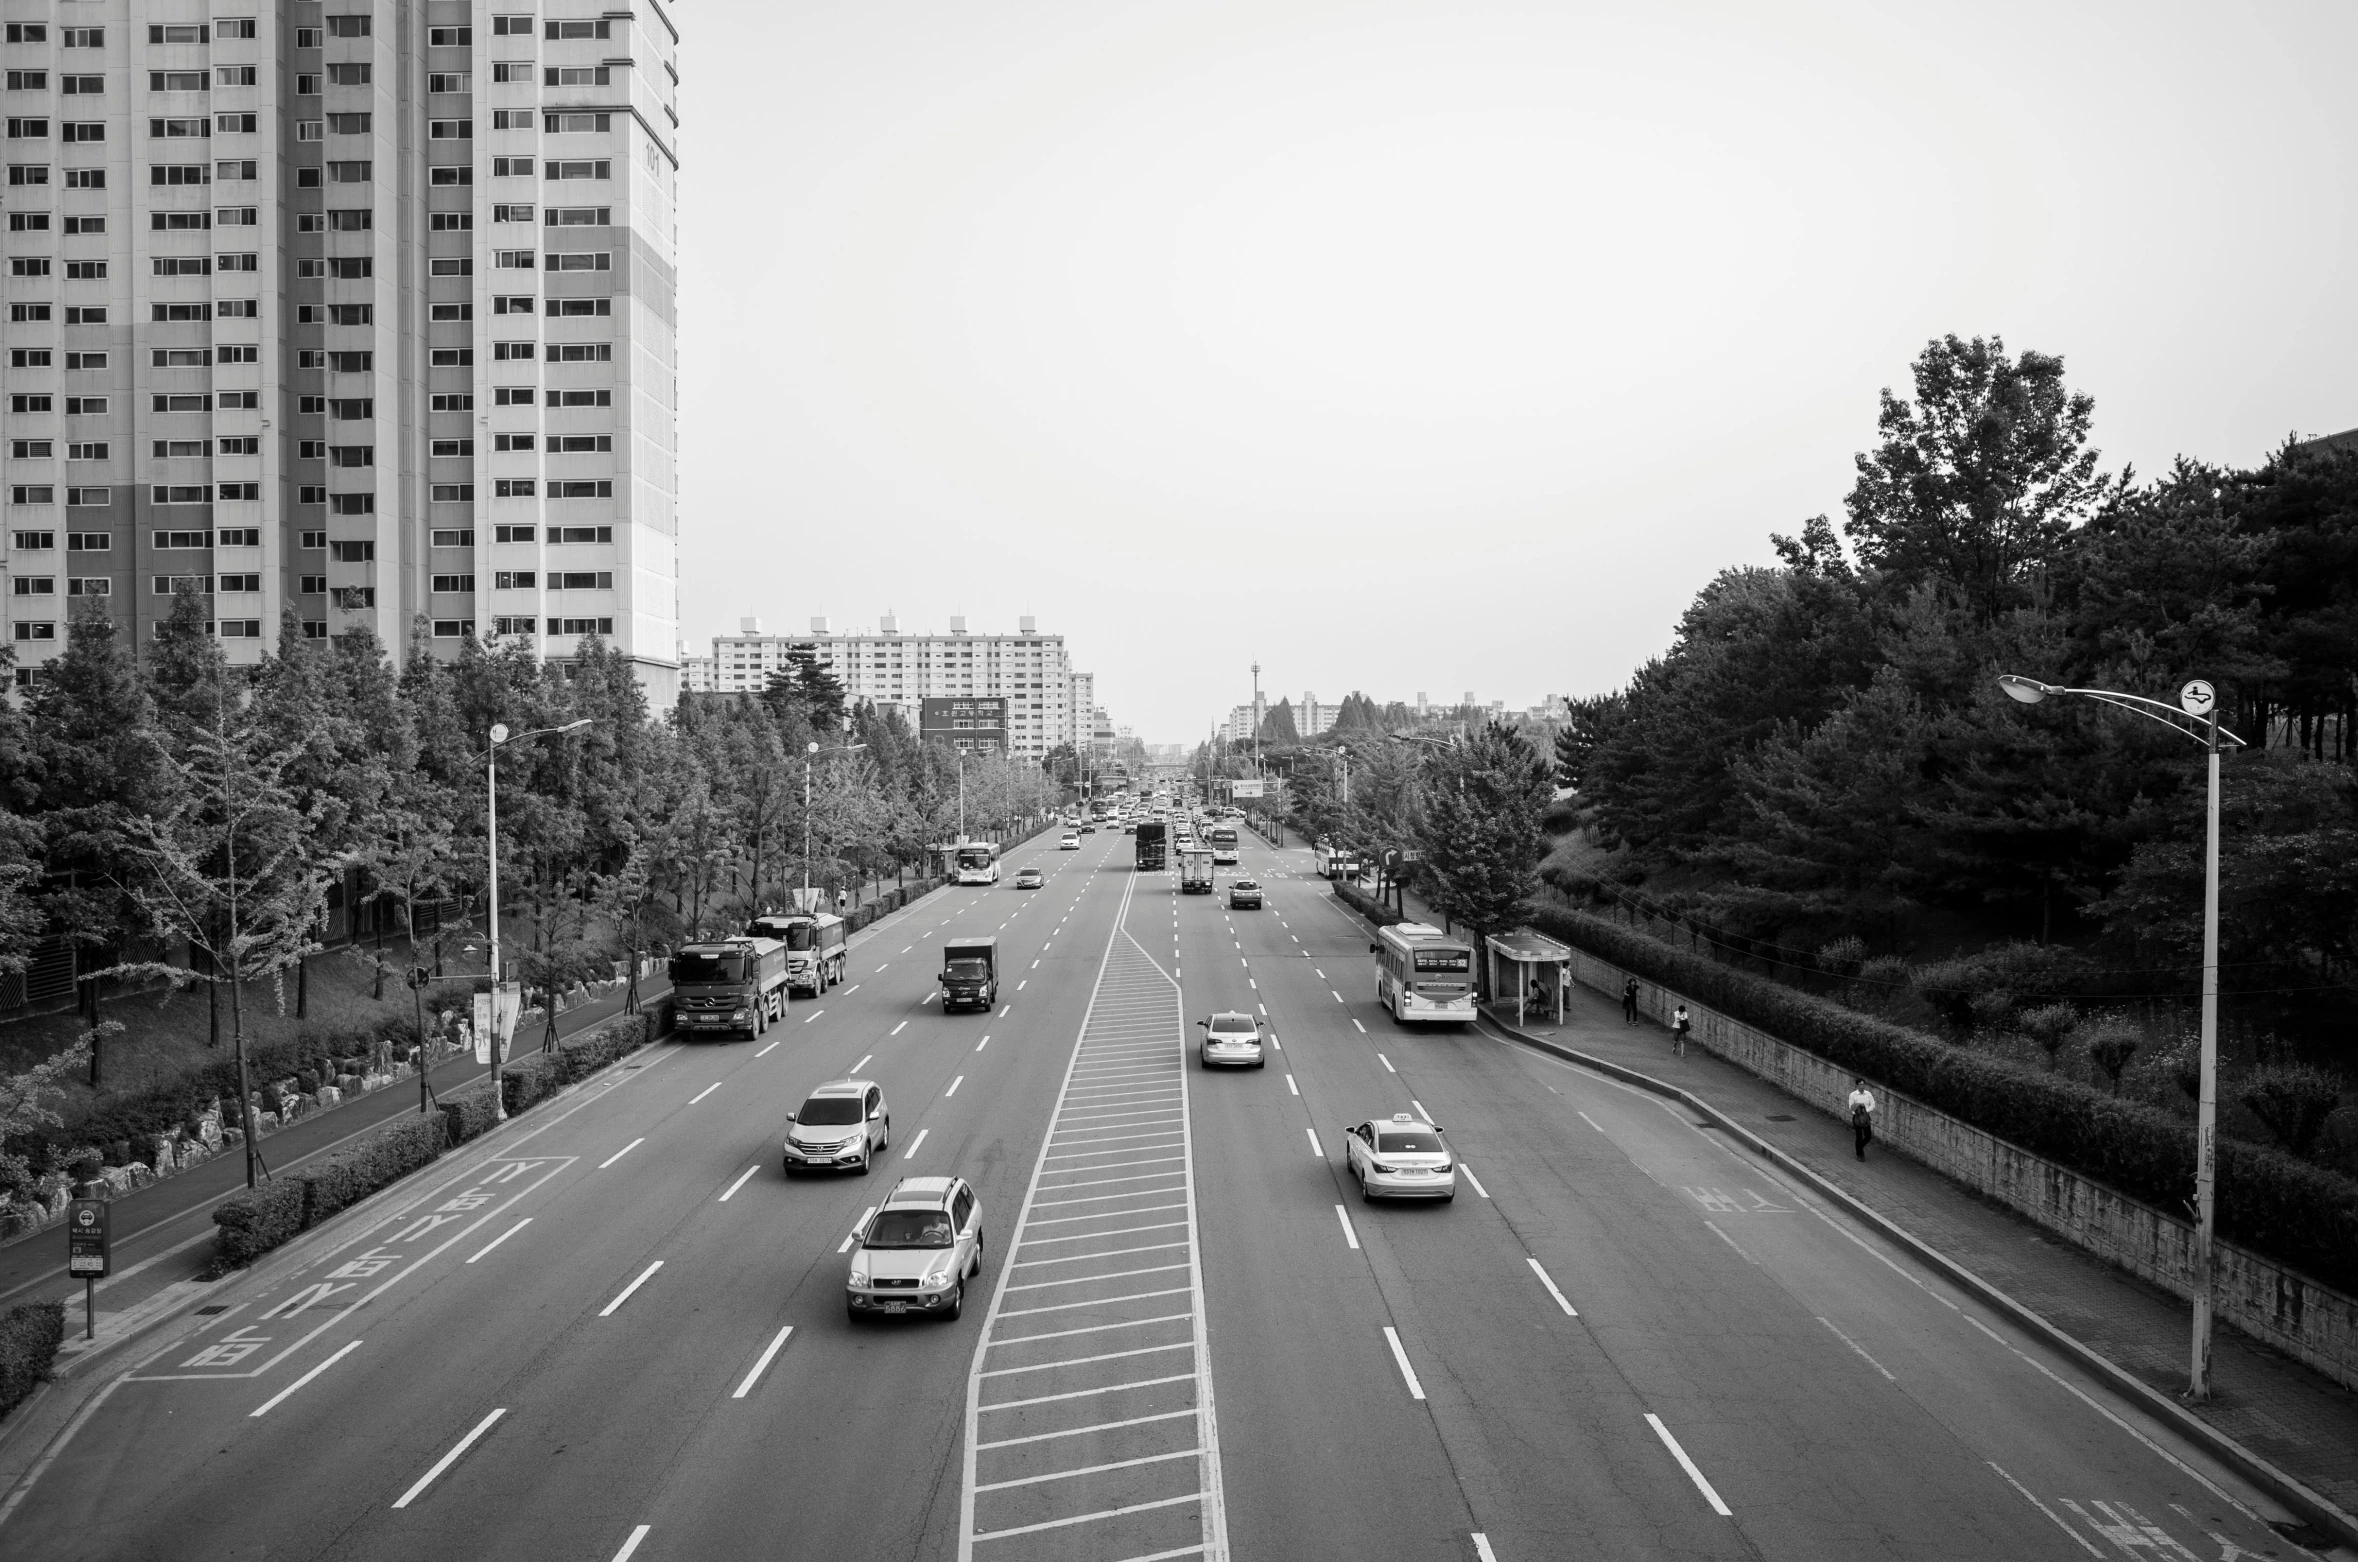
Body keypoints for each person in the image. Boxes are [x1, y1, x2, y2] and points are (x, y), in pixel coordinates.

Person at [1847, 1078, 1877, 1161]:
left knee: (1868, 1136)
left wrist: (1865, 1111)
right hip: (1857, 1117)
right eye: (1860, 1084)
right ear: (1857, 1085)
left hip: (1866, 1117)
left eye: (1863, 1084)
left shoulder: (1868, 1094)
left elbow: (1873, 1104)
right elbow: (1851, 1107)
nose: (1862, 1086)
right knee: (1859, 1136)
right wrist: (1858, 1111)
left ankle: (1860, 1147)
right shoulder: (1852, 1095)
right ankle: (1859, 1154)